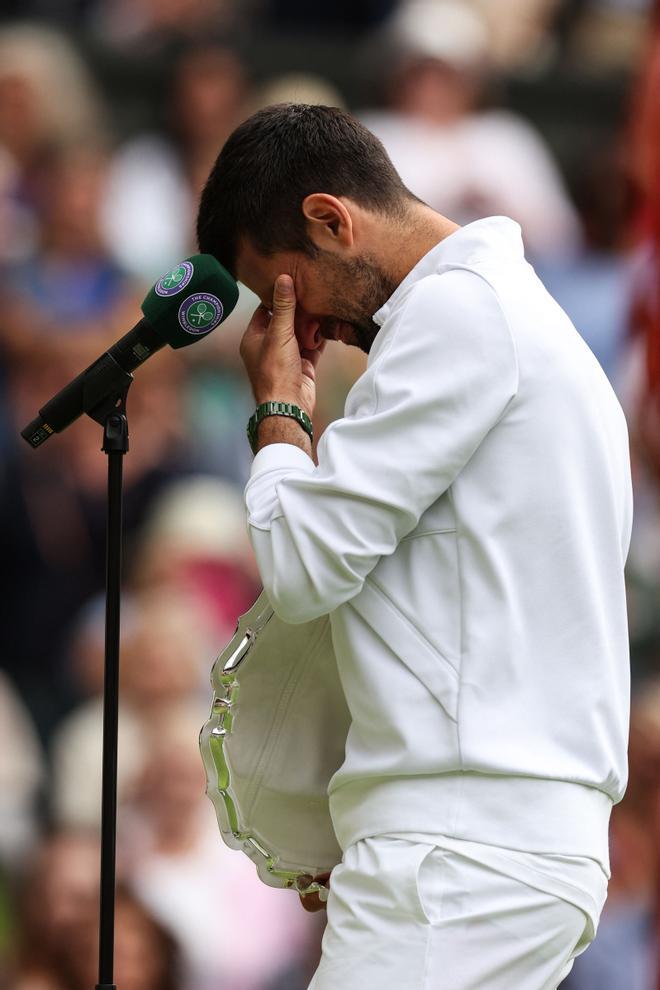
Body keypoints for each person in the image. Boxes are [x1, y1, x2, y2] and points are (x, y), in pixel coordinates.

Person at [196, 103, 633, 990]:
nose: (301, 330)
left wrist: (279, 412)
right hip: (482, 847)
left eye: (282, 291)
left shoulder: (460, 312)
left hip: (462, 857)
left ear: (330, 220)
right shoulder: (500, 313)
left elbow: (304, 566)